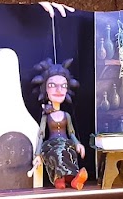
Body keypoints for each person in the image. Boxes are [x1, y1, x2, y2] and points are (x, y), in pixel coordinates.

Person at [29, 59, 89, 189]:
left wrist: (78, 143)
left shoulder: (66, 115)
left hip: (66, 142)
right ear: (44, 89)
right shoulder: (46, 116)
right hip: (51, 144)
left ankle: (73, 179)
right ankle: (59, 178)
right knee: (57, 152)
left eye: (63, 85)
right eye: (52, 85)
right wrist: (37, 154)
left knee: (69, 152)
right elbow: (41, 134)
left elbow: (71, 132)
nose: (58, 90)